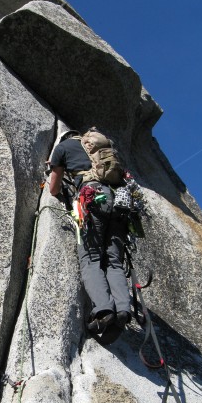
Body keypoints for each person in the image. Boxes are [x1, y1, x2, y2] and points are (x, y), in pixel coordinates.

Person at [49, 128, 131, 334]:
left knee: (91, 259)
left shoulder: (63, 148)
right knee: (114, 261)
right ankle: (123, 309)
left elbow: (54, 189)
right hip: (120, 202)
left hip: (92, 197)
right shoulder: (104, 151)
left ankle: (103, 311)